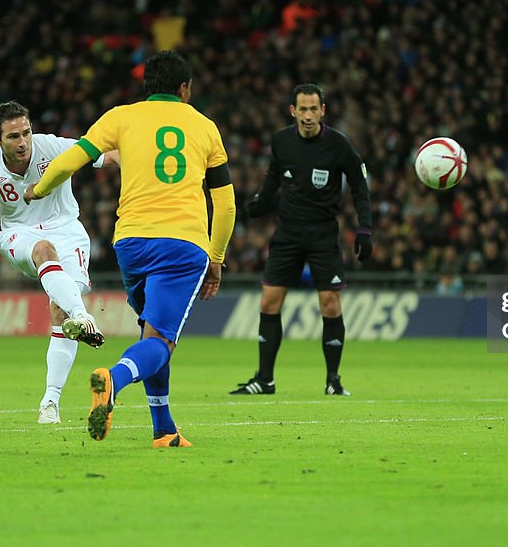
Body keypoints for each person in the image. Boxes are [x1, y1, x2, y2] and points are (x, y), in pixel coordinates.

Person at [26, 51, 235, 448]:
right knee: (161, 343)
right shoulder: (205, 128)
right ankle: (114, 380)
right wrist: (217, 258)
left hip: (131, 243)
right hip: (182, 243)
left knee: (150, 332)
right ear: (184, 88)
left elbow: (72, 159)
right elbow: (225, 204)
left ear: (147, 87)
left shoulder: (120, 117)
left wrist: (39, 188)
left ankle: (164, 430)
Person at [0, 101, 117, 425]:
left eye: (26, 133)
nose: (23, 142)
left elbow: (102, 154)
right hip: (19, 235)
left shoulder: (54, 147)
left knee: (60, 310)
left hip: (69, 231)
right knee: (45, 252)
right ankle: (84, 315)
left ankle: (50, 404)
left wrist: (139, 157)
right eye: (13, 136)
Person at [230, 83, 372, 396]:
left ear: (323, 110)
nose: (308, 115)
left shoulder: (338, 144)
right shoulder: (282, 140)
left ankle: (333, 380)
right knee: (268, 302)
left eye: (313, 109)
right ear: (292, 111)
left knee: (330, 304)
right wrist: (261, 200)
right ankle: (264, 379)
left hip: (323, 234)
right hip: (288, 233)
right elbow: (274, 176)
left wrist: (365, 228)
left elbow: (360, 186)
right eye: (302, 109)